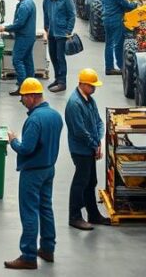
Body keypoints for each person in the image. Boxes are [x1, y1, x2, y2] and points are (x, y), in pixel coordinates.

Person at [4, 78, 63, 270]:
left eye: (23, 97)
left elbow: (26, 148)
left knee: (29, 212)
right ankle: (47, 248)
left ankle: (28, 256)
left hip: (33, 172)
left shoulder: (35, 120)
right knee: (46, 208)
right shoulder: (55, 116)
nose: (22, 101)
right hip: (48, 169)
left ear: (31, 96)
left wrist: (13, 141)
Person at [64, 69, 110, 230]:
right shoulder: (74, 104)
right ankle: (74, 216)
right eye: (91, 86)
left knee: (91, 181)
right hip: (80, 150)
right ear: (82, 84)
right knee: (80, 182)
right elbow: (79, 131)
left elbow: (98, 122)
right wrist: (94, 144)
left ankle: (94, 215)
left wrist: (98, 143)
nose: (94, 89)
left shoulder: (90, 100)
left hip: (90, 147)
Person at [0, 0, 37, 95]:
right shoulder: (29, 2)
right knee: (27, 60)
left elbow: (20, 24)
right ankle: (31, 84)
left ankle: (22, 87)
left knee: (17, 60)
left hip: (23, 37)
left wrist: (5, 28)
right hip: (29, 36)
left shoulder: (24, 6)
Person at [41, 0, 76, 93]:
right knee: (53, 56)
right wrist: (46, 29)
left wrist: (68, 31)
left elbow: (72, 15)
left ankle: (62, 82)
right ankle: (57, 78)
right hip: (51, 33)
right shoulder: (47, 0)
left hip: (61, 34)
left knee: (61, 58)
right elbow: (46, 15)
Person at [101, 0, 137, 76]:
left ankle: (109, 67)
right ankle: (121, 66)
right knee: (118, 44)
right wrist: (136, 4)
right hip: (116, 20)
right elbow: (127, 7)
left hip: (106, 19)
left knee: (108, 44)